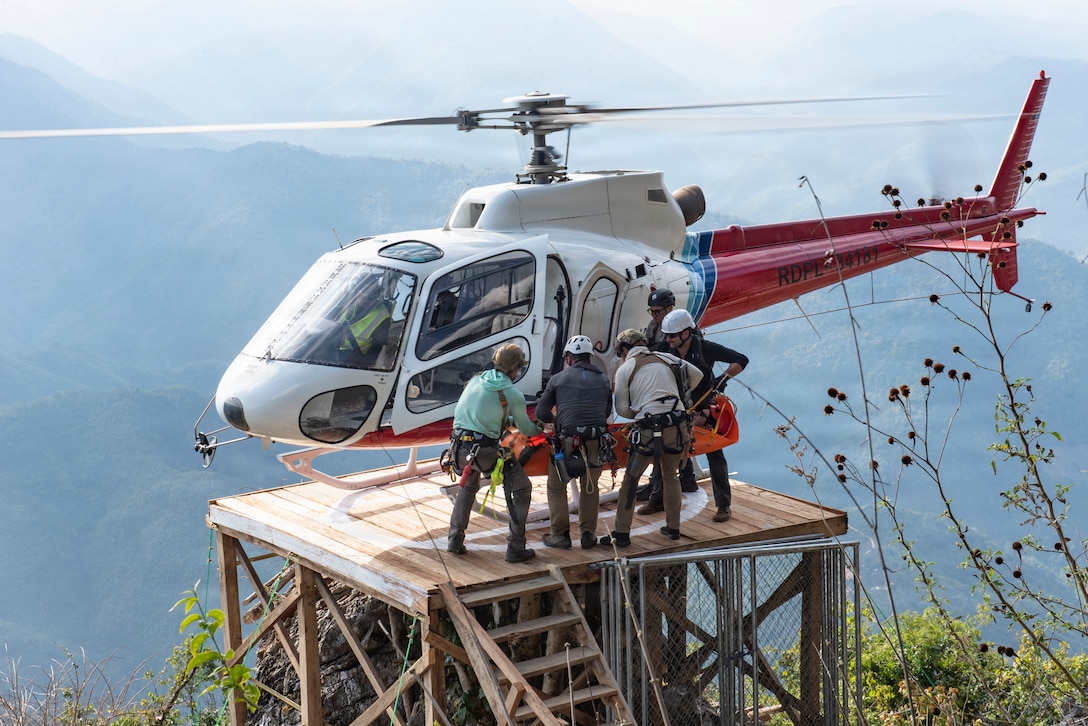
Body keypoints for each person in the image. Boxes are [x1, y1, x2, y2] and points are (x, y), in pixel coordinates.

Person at [638, 309, 748, 522]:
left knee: (714, 453)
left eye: (672, 336)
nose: (668, 340)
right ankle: (657, 498)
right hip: (676, 404)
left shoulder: (705, 348)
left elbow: (741, 359)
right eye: (667, 335)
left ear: (686, 333)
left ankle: (723, 505)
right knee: (663, 450)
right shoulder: (664, 348)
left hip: (703, 402)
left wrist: (722, 379)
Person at [600, 329, 702, 546]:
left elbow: (622, 408)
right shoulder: (668, 358)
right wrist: (681, 398)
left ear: (624, 350)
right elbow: (697, 375)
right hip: (675, 425)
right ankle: (673, 528)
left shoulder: (625, 368)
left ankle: (621, 533)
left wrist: (640, 410)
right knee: (671, 476)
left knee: (631, 478)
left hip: (647, 430)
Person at [446, 343, 543, 562]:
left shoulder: (475, 380)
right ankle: (516, 547)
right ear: (515, 369)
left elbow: (480, 414)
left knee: (468, 488)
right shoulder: (511, 392)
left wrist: (506, 421)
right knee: (522, 488)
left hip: (459, 448)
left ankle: (455, 540)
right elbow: (526, 429)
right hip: (484, 450)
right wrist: (541, 428)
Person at [536, 335, 613, 550]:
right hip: (596, 441)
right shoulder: (604, 380)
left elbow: (542, 412)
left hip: (568, 440)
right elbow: (606, 411)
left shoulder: (558, 378)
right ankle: (588, 534)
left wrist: (557, 420)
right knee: (590, 487)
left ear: (568, 358)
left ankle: (560, 536)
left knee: (556, 487)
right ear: (589, 358)